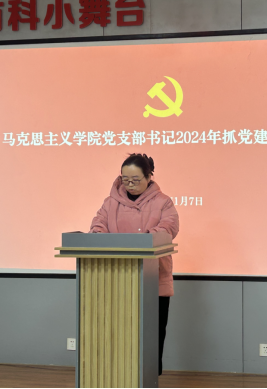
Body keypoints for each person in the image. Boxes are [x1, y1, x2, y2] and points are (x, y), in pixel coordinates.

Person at [90, 153, 179, 376]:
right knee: (117, 334)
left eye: (135, 180)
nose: (129, 184)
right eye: (125, 179)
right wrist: (98, 234)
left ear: (149, 177)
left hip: (152, 279)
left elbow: (168, 228)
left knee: (152, 334)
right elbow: (98, 224)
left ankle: (149, 378)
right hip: (115, 279)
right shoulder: (110, 203)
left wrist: (146, 239)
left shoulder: (163, 202)